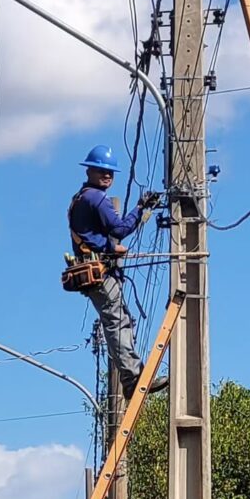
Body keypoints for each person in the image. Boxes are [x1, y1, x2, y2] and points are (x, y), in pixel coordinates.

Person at [68, 144, 167, 400]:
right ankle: (133, 378)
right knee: (117, 323)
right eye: (102, 171)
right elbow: (120, 228)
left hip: (95, 270)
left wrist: (111, 246)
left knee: (121, 320)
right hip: (100, 272)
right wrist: (140, 207)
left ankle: (130, 377)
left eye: (110, 172)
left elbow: (101, 235)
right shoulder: (95, 198)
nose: (107, 176)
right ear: (89, 170)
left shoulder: (80, 198)